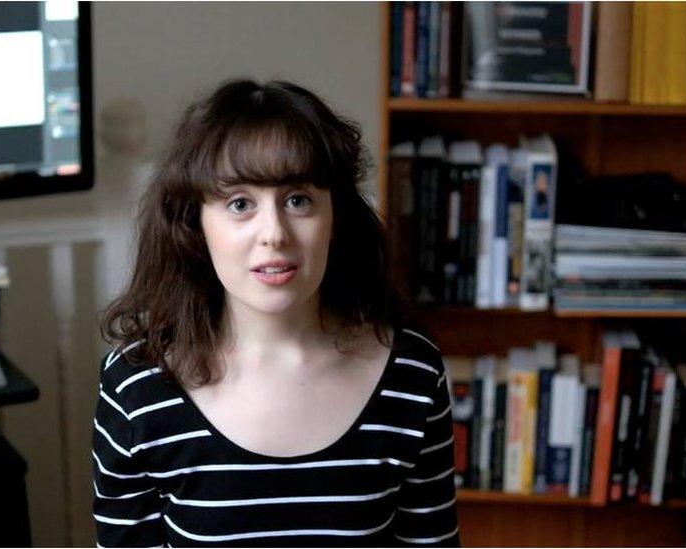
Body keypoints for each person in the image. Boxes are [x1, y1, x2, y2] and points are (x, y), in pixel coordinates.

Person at [94, 79, 460, 547]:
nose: (274, 233)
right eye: (240, 203)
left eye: (298, 200)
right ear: (195, 226)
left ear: (335, 220)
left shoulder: (412, 375)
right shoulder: (136, 386)